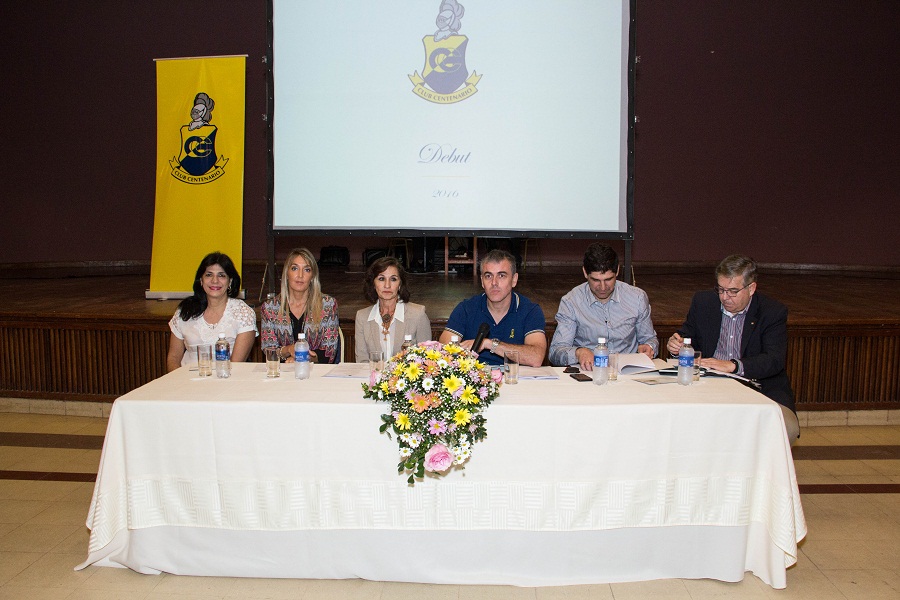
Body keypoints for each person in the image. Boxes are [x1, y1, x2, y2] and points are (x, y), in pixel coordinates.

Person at [666, 254, 800, 444]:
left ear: (751, 288)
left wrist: (733, 366)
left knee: (787, 427)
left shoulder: (772, 312)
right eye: (720, 289)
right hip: (709, 384)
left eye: (733, 291)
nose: (724, 297)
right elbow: (686, 337)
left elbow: (774, 360)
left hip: (757, 385)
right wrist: (676, 345)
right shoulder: (704, 302)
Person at [549, 243, 658, 369]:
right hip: (589, 372)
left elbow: (650, 339)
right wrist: (578, 353)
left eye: (608, 279)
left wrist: (649, 347)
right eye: (596, 280)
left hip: (628, 372)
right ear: (585, 273)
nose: (602, 287)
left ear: (617, 271)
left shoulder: (637, 297)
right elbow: (556, 352)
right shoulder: (571, 302)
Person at [439, 249, 546, 367]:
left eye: (501, 275)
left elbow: (536, 358)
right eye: (488, 276)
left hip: (515, 376)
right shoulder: (466, 309)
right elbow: (443, 351)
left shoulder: (530, 311)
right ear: (482, 281)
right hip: (476, 376)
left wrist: (489, 344)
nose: (494, 282)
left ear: (514, 280)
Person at [166, 252, 258, 371]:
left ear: (230, 281)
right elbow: (173, 358)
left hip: (227, 378)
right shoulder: (185, 311)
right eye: (209, 275)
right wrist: (177, 380)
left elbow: (235, 365)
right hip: (186, 379)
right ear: (201, 280)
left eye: (221, 275)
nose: (215, 281)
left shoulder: (243, 313)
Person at [260, 248, 341, 364]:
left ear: (312, 276)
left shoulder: (328, 305)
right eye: (295, 268)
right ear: (286, 274)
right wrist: (288, 349)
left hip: (316, 372)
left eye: (307, 270)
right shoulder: (270, 308)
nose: (300, 275)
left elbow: (329, 353)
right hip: (282, 372)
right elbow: (269, 350)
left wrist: (302, 358)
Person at [355, 257, 433, 361]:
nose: (387, 285)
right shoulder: (362, 317)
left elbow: (426, 360)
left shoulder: (418, 315)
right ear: (373, 284)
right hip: (372, 372)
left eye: (393, 279)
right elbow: (362, 362)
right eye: (381, 279)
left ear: (400, 284)